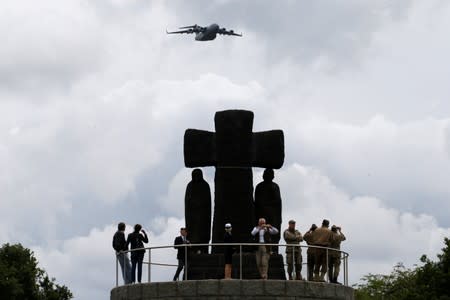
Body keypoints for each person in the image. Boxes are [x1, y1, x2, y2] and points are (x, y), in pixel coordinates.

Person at [254, 169, 282, 253]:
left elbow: (278, 202)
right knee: (263, 232)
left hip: (271, 214)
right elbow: (256, 202)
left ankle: (272, 250)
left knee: (272, 233)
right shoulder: (260, 186)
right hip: (265, 214)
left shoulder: (273, 186)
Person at [185, 168, 211, 254]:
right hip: (192, 215)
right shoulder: (190, 186)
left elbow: (207, 201)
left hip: (203, 215)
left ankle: (202, 249)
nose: (196, 177)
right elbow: (187, 200)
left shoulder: (205, 185)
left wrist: (200, 204)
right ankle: (193, 250)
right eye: (194, 175)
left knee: (202, 233)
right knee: (193, 234)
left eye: (198, 175)